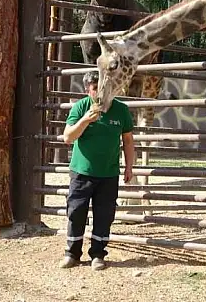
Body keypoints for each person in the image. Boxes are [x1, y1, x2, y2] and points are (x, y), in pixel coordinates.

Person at [58, 71, 135, 271]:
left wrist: (129, 166)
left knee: (104, 215)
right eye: (95, 89)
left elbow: (127, 140)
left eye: (105, 88)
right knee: (76, 212)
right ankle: (72, 253)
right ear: (87, 91)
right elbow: (68, 137)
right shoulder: (81, 107)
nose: (101, 93)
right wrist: (85, 120)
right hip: (81, 173)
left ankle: (98, 254)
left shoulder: (121, 110)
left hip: (109, 173)